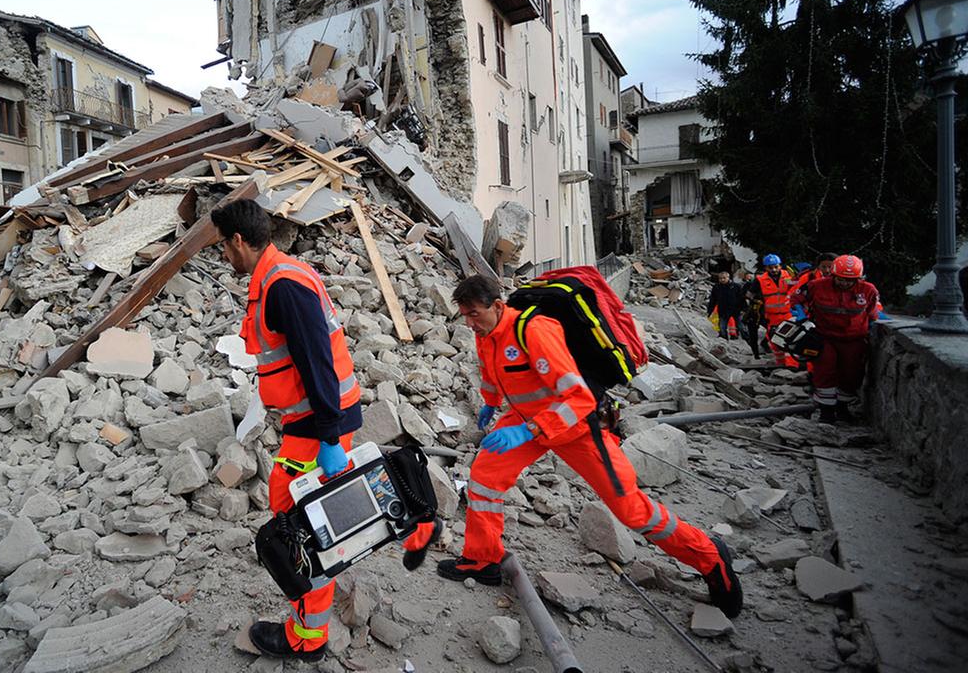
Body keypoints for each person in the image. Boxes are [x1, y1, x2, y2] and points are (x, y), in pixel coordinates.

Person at [435, 274, 743, 619]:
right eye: (464, 315)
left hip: (577, 426)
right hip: (526, 420)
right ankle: (482, 559)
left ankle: (709, 557)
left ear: (497, 305)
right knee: (484, 478)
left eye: (474, 313)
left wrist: (529, 430)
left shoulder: (535, 330)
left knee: (631, 510)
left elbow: (579, 398)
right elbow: (491, 371)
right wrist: (491, 402)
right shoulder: (486, 332)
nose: (469, 322)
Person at [210, 199, 436, 661]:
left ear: (237, 240)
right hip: (316, 419)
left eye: (223, 247)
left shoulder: (282, 287)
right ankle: (417, 528)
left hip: (319, 423)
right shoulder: (280, 275)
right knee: (329, 505)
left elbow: (317, 363)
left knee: (297, 522)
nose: (223, 257)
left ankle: (307, 637)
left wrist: (331, 437)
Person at [791, 255, 880, 424]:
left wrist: (871, 328)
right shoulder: (816, 286)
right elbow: (796, 299)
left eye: (850, 280)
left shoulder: (868, 290)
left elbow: (873, 313)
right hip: (825, 337)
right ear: (833, 275)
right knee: (825, 371)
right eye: (841, 279)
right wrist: (802, 317)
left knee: (851, 374)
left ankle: (843, 408)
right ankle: (826, 411)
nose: (845, 283)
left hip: (854, 339)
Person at [752, 254, 797, 367]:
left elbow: (796, 288)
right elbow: (750, 294)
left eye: (776, 267)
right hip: (771, 316)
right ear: (765, 268)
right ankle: (780, 364)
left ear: (780, 266)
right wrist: (756, 301)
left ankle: (792, 365)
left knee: (790, 339)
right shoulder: (760, 280)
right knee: (774, 341)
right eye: (770, 267)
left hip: (788, 314)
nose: (774, 270)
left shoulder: (788, 276)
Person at [707, 271, 744, 339]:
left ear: (728, 278)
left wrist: (743, 309)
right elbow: (713, 300)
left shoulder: (736, 287)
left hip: (735, 310)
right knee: (722, 328)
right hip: (723, 311)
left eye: (724, 278)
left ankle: (748, 340)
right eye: (720, 278)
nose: (722, 280)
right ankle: (724, 342)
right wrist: (709, 311)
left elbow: (741, 299)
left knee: (741, 327)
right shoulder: (717, 287)